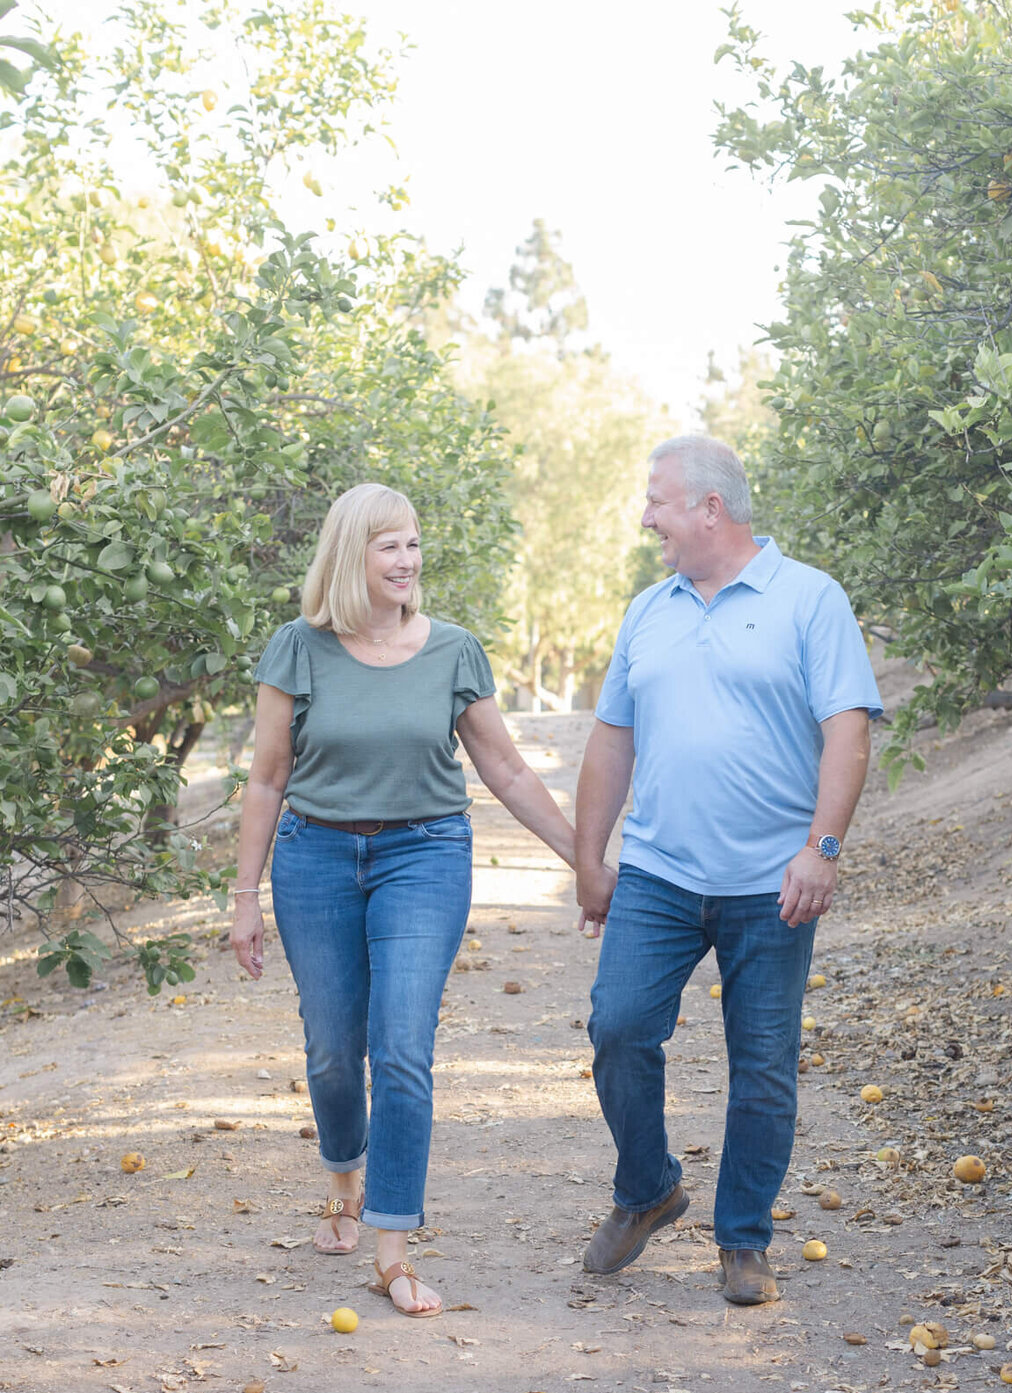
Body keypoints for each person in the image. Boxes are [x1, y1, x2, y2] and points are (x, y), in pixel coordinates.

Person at [231, 482, 575, 1317]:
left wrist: (583, 857)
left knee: (403, 1048)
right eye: (389, 544)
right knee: (330, 1048)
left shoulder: (452, 649)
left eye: (414, 543)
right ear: (352, 554)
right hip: (314, 858)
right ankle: (343, 1173)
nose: (408, 559)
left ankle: (391, 1245)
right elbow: (268, 776)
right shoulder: (298, 648)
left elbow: (505, 768)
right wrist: (244, 893)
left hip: (424, 857)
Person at [575, 436, 881, 1306]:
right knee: (618, 1028)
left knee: (764, 1065)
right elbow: (612, 738)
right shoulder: (649, 610)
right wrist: (589, 859)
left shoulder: (810, 599)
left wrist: (821, 848)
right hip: (660, 874)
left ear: (710, 507)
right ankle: (648, 1190)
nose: (646, 519)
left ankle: (743, 1238)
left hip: (770, 882)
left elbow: (847, 730)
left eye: (657, 501)